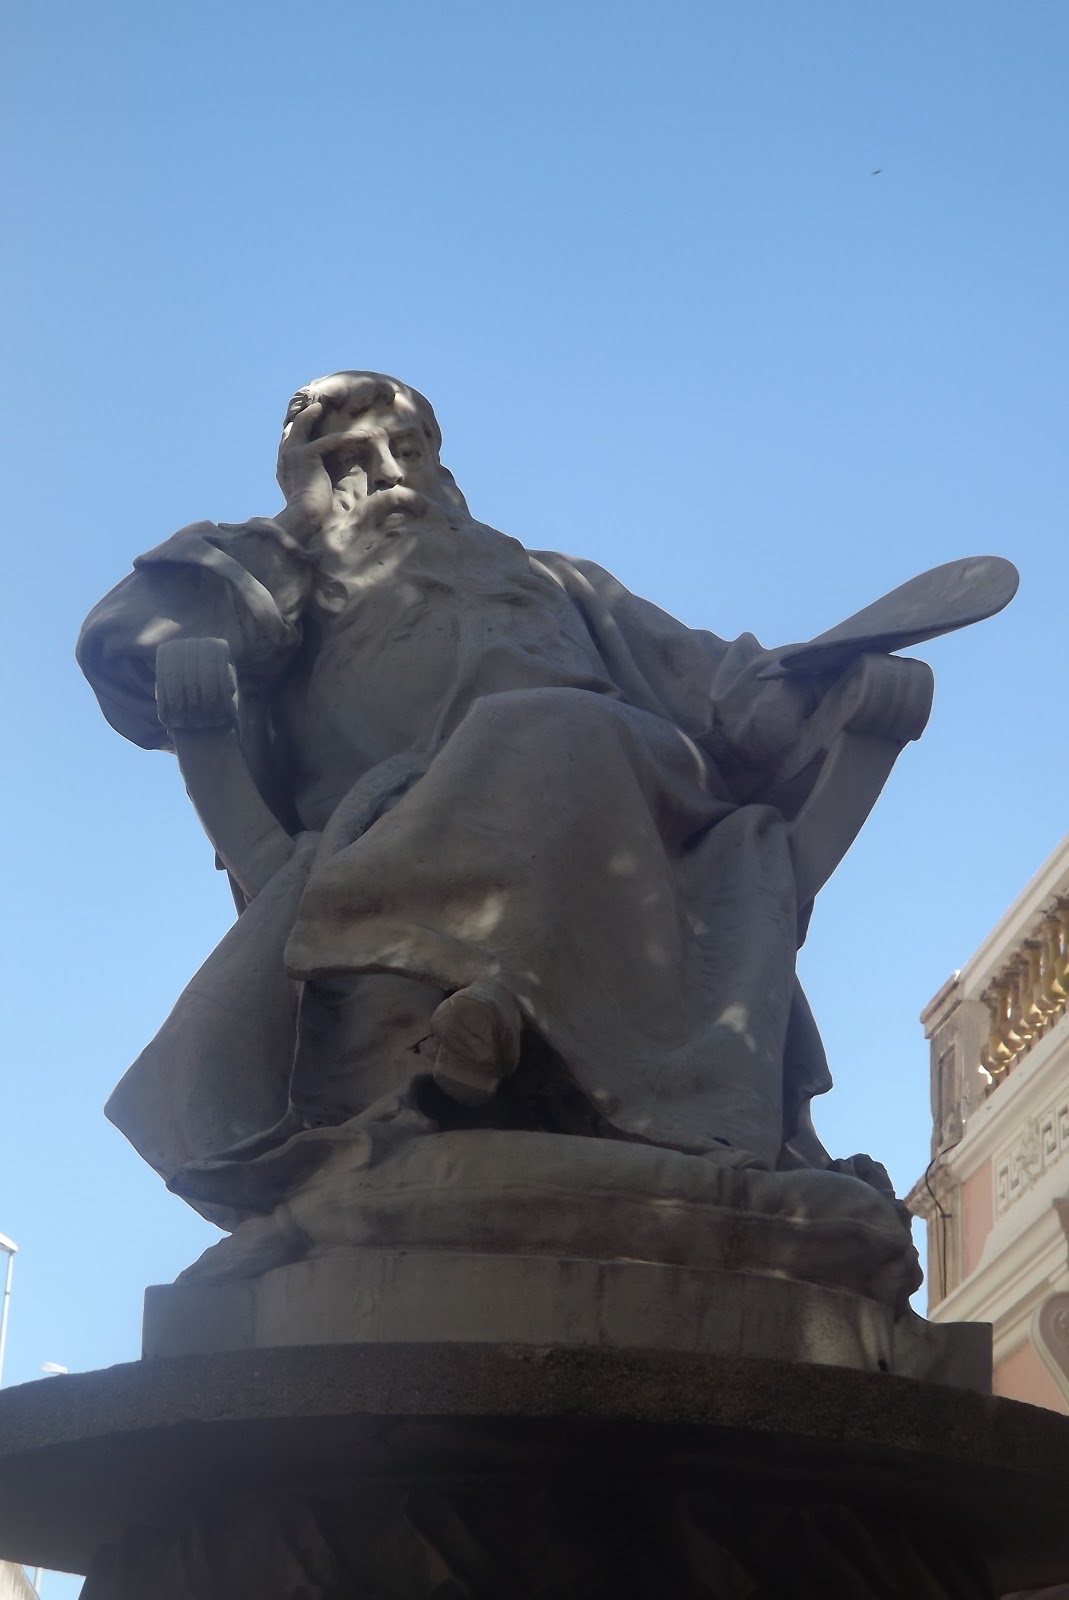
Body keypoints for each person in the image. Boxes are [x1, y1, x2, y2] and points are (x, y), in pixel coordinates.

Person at [78, 370, 845, 1225]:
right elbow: (126, 650)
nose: (388, 475)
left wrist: (830, 681)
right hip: (391, 836)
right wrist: (297, 526)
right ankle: (495, 1011)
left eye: (406, 450)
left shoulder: (554, 580)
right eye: (350, 461)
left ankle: (502, 1008)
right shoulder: (280, 579)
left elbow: (725, 692)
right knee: (539, 727)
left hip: (626, 808)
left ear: (441, 468)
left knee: (550, 726)